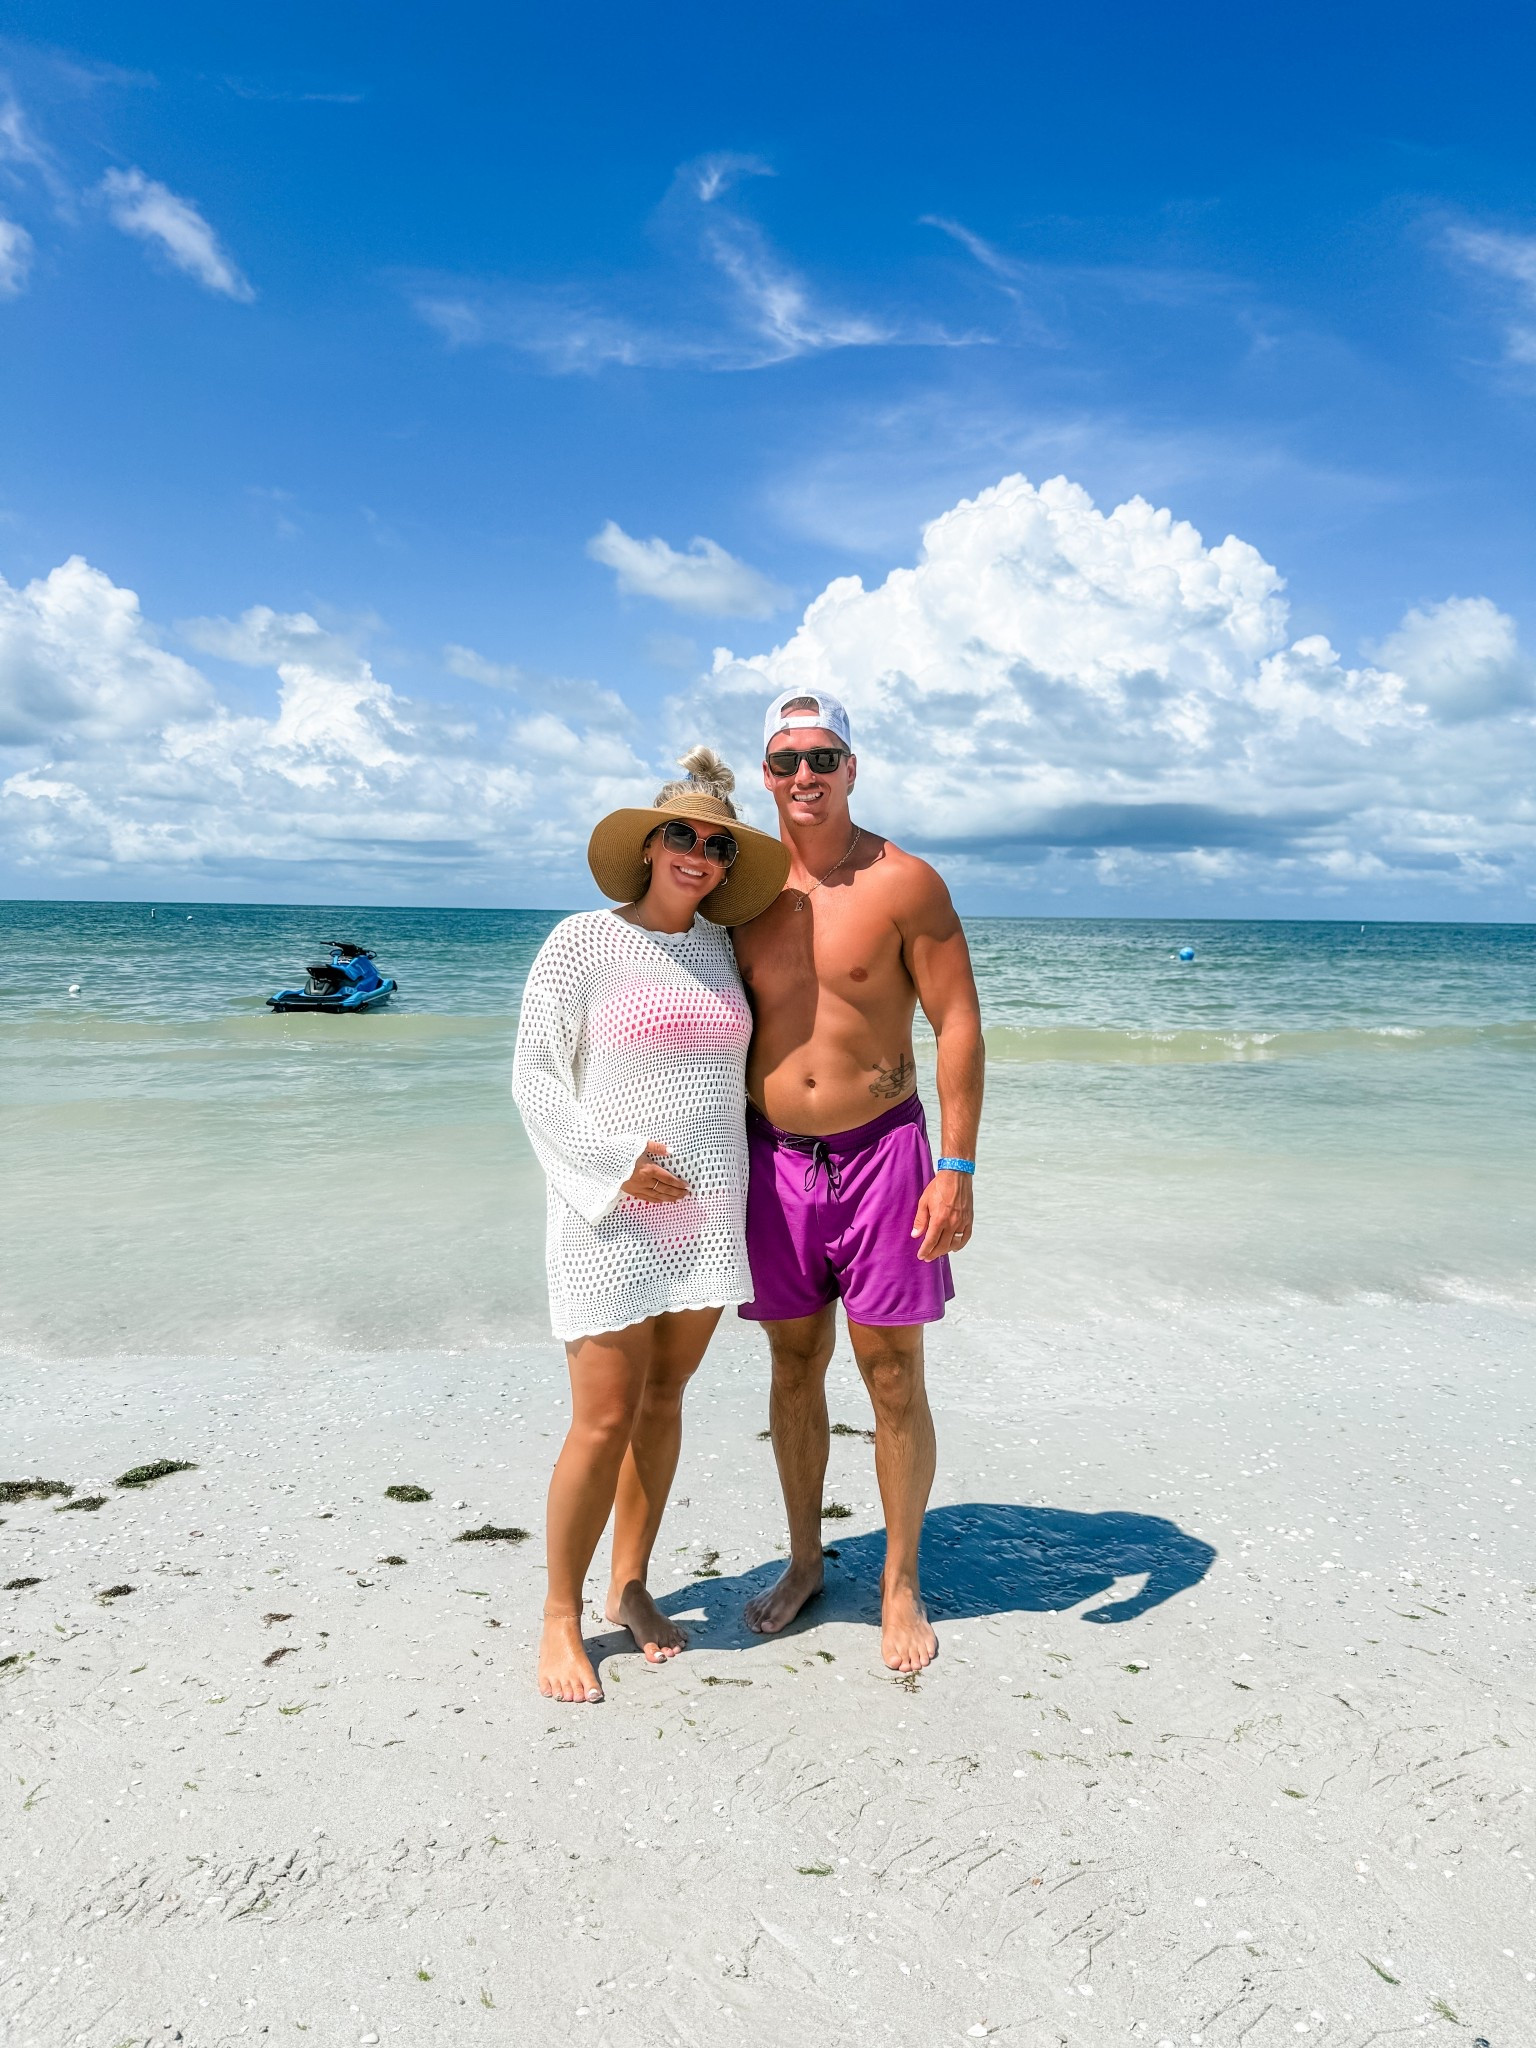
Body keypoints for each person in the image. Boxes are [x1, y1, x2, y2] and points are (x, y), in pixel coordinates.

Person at [512, 748, 790, 1704]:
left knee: (664, 1401)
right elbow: (536, 1079)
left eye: (717, 845)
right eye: (683, 834)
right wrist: (614, 1165)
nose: (699, 853)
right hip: (609, 1215)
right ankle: (559, 1616)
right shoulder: (581, 942)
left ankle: (629, 1586)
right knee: (600, 1419)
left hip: (708, 1213)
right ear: (646, 845)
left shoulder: (723, 950)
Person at [732, 689, 984, 1674]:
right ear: (766, 773)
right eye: (786, 758)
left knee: (891, 1374)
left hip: (885, 1153)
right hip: (773, 1159)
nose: (804, 775)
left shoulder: (905, 881)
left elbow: (956, 1021)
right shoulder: (739, 893)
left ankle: (901, 1580)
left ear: (851, 767)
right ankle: (805, 1560)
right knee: (792, 1369)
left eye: (822, 757)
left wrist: (955, 1165)